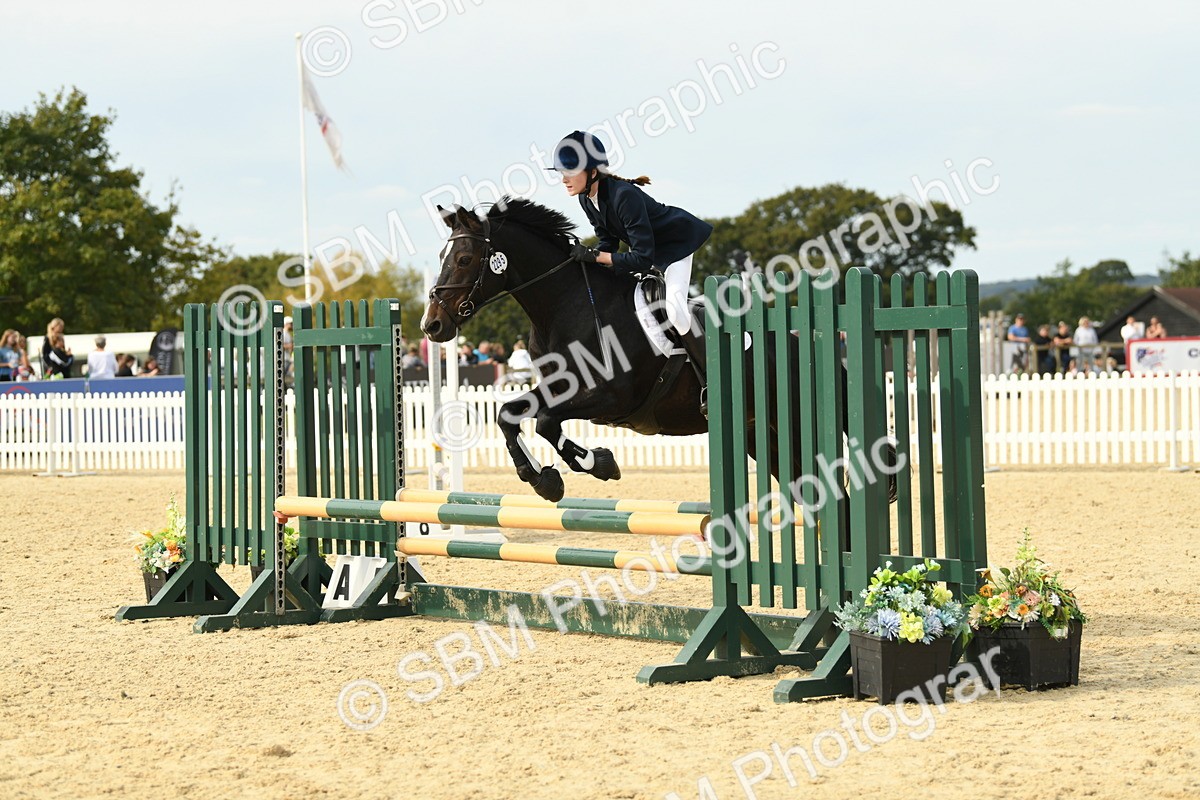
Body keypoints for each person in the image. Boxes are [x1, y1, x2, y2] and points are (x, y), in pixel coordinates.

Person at [548, 129, 713, 412]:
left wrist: (596, 256)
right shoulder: (587, 199)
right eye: (561, 171)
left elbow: (642, 258)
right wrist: (589, 259)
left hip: (675, 248)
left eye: (570, 171)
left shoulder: (625, 196)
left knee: (674, 309)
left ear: (592, 172)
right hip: (647, 252)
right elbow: (608, 242)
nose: (563, 178)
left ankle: (710, 379)